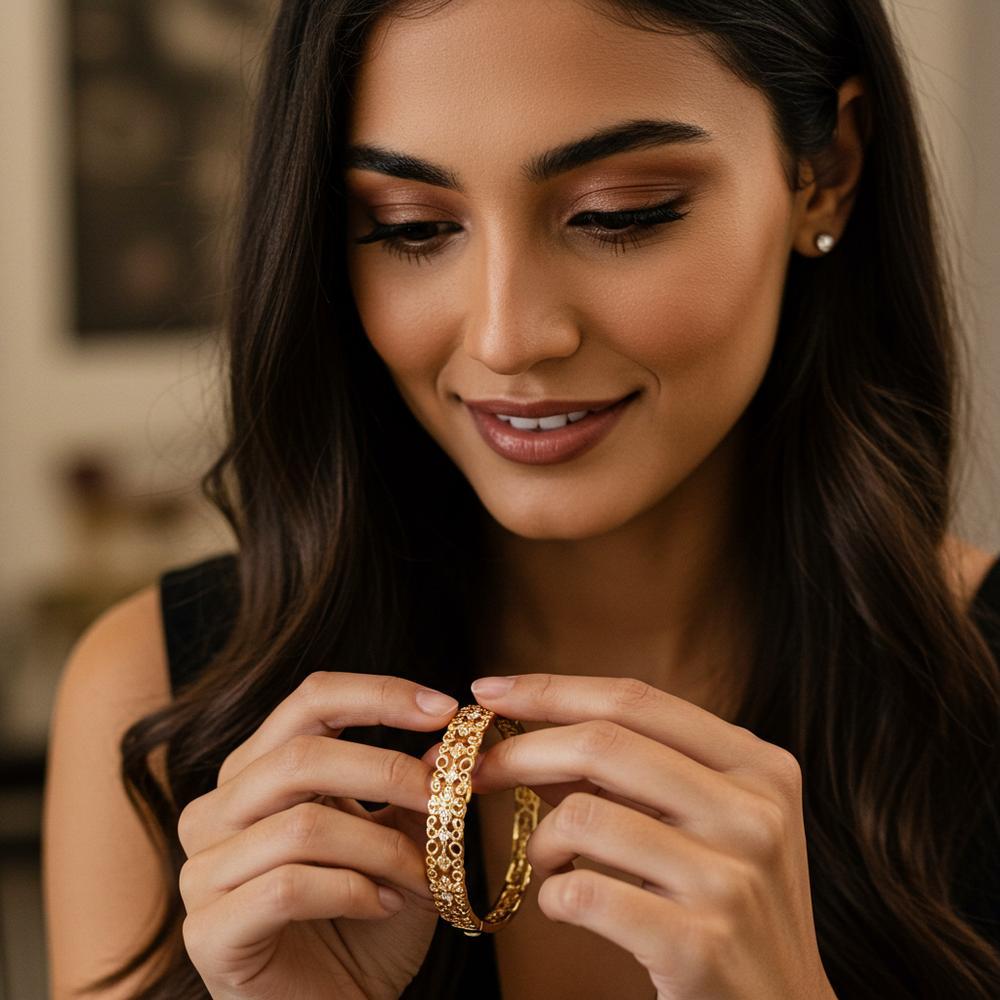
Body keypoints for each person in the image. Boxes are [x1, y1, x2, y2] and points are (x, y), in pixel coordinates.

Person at [42, 1, 1000, 997]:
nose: (505, 336)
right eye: (409, 228)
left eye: (618, 214)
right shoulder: (162, 697)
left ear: (824, 173)